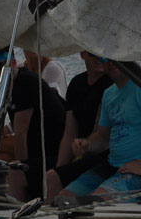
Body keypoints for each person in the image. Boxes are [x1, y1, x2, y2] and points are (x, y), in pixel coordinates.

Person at [54, 59, 141, 205]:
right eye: (105, 57)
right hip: (113, 167)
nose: (111, 62)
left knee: (96, 202)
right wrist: (88, 144)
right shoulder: (108, 94)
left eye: (117, 57)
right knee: (63, 198)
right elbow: (103, 136)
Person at [0, 49, 66, 202]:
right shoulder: (1, 83)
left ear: (13, 64)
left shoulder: (26, 82)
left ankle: (20, 210)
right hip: (36, 150)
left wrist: (23, 169)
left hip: (54, 154)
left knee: (13, 171)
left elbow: (21, 133)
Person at [44, 51, 113, 202]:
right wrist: (60, 167)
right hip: (83, 152)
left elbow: (104, 134)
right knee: (51, 177)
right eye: (92, 54)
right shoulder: (77, 84)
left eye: (102, 54)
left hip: (103, 155)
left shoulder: (111, 84)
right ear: (82, 54)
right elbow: (70, 131)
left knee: (54, 180)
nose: (99, 58)